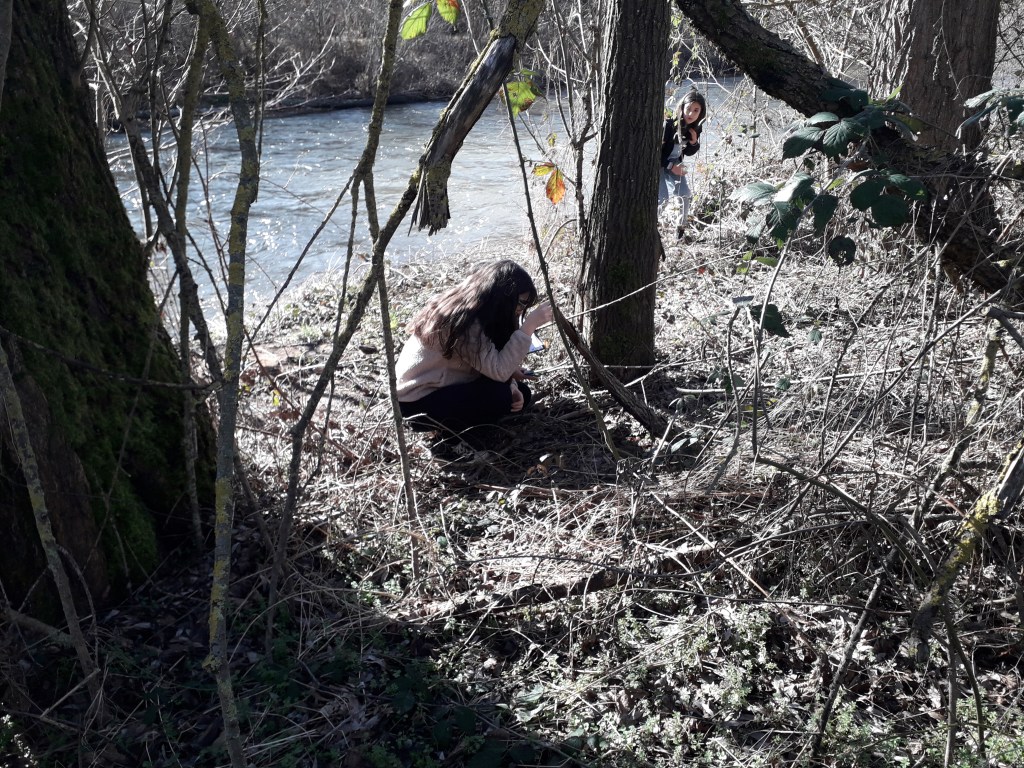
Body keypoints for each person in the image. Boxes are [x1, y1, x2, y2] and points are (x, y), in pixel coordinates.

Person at [395, 259, 553, 444]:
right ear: (502, 298)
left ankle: (464, 425)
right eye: (520, 303)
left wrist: (511, 381)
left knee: (520, 394)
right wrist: (529, 326)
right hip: (414, 403)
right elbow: (498, 371)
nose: (521, 310)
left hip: (440, 388)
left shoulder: (474, 310)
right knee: (500, 397)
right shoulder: (464, 322)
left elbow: (485, 363)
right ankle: (458, 439)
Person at [658, 90, 707, 239]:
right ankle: (650, 228)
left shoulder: (695, 127)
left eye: (696, 110)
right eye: (688, 108)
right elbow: (656, 154)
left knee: (685, 194)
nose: (691, 113)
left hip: (676, 162)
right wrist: (672, 167)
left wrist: (694, 142)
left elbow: (689, 152)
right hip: (659, 164)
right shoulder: (669, 124)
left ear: (701, 112)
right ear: (682, 107)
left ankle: (679, 232)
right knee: (662, 198)